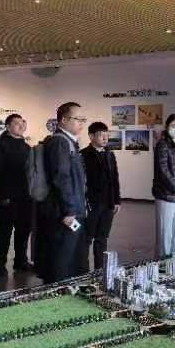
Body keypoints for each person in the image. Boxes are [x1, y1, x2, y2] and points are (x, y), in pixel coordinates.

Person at [42, 102, 87, 282]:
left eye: (83, 119)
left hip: (72, 209)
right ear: (63, 120)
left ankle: (65, 287)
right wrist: (69, 210)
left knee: (70, 256)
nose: (81, 123)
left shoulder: (69, 141)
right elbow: (61, 178)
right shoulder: (60, 142)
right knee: (62, 257)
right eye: (78, 119)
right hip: (64, 213)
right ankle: (57, 291)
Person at [0, 113, 33, 275]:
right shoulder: (0, 146)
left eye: (23, 123)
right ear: (7, 127)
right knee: (4, 232)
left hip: (26, 197)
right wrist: (3, 196)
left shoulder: (26, 147)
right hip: (8, 198)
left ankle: (20, 261)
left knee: (23, 230)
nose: (21, 125)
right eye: (16, 123)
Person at [80, 122, 121, 271]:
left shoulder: (109, 154)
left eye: (106, 135)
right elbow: (81, 182)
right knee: (86, 238)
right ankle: (83, 271)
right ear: (91, 136)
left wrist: (117, 200)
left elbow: (115, 178)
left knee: (102, 238)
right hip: (91, 203)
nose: (105, 138)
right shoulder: (83, 155)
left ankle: (99, 271)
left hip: (108, 203)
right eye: (101, 135)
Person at [152, 114, 175, 258]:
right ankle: (162, 263)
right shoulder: (162, 145)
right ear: (167, 127)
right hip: (166, 194)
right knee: (165, 232)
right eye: (173, 126)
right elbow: (164, 170)